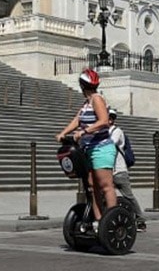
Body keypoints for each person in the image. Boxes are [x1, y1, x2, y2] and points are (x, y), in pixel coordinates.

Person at [56, 68, 116, 231]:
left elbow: (104, 121)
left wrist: (84, 132)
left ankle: (111, 221)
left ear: (82, 85)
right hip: (88, 149)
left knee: (105, 186)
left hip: (101, 148)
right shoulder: (86, 103)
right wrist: (63, 133)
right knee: (91, 186)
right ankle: (99, 221)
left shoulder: (97, 99)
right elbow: (77, 119)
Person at [107, 108, 146, 231]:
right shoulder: (102, 131)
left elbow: (111, 143)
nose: (109, 119)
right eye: (108, 117)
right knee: (103, 196)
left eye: (111, 117)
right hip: (107, 171)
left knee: (128, 197)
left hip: (119, 171)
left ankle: (140, 220)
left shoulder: (117, 131)